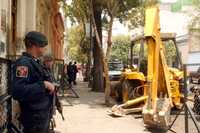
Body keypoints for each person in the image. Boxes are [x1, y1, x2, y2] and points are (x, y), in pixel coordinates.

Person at [12, 31, 55, 133]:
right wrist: (43, 85)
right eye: (43, 45)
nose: (45, 48)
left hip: (41, 117)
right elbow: (18, 91)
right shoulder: (24, 63)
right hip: (34, 120)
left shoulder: (35, 62)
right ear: (35, 46)